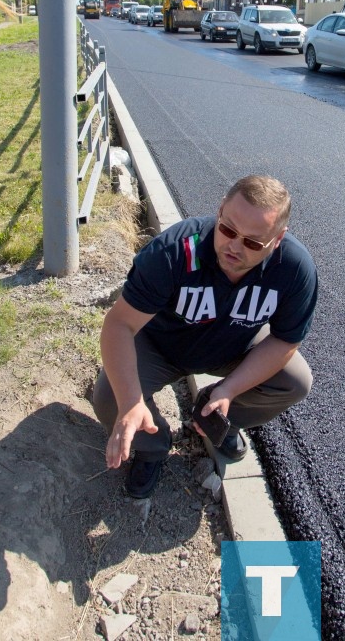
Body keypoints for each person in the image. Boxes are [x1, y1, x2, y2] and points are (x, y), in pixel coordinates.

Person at [93, 175, 317, 499]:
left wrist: (230, 389)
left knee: (295, 381)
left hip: (235, 344)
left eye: (253, 243)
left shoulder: (294, 270)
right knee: (110, 398)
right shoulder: (174, 251)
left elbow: (285, 340)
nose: (234, 247)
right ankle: (153, 446)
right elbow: (119, 325)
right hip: (159, 345)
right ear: (221, 209)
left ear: (278, 239)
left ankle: (218, 419)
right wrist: (131, 402)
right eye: (227, 229)